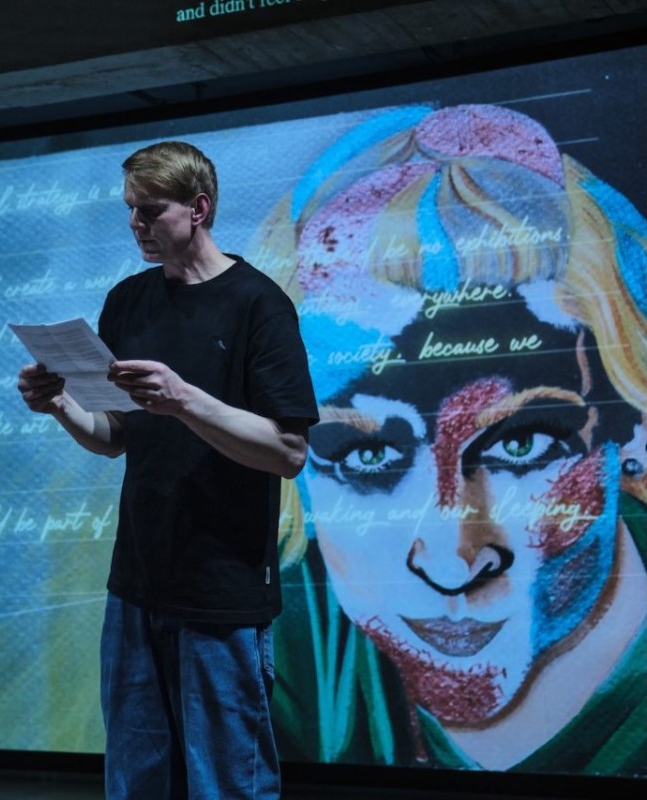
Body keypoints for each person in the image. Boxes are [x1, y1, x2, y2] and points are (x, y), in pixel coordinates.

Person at [257, 104, 647, 775]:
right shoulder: (290, 634)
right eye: (367, 456)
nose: (451, 562)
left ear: (632, 423)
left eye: (522, 446)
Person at [18, 140, 320, 799]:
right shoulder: (128, 301)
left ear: (199, 209)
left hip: (221, 589)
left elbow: (288, 451)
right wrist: (60, 404)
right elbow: (115, 437)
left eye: (151, 210)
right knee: (134, 780)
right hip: (136, 583)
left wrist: (184, 399)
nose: (136, 224)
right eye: (130, 210)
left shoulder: (257, 304)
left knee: (227, 783)